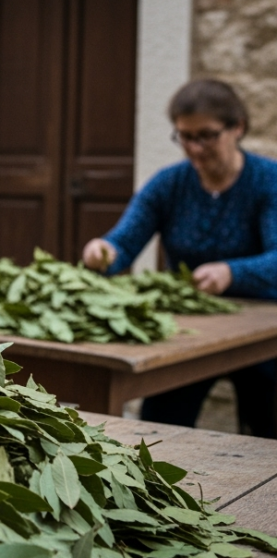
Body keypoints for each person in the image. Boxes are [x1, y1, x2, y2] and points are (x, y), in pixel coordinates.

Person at [82, 79, 276, 437]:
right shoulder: (169, 183)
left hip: (262, 331)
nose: (195, 148)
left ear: (238, 128)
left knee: (267, 424)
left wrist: (232, 273)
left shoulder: (267, 181)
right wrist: (103, 253)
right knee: (161, 425)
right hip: (192, 329)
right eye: (185, 137)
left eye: (206, 136)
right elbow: (124, 240)